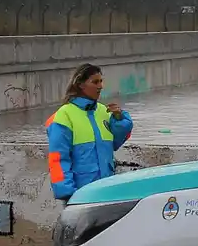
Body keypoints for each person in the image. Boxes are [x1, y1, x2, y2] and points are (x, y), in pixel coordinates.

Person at [46, 63, 133, 203]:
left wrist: (119, 119)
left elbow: (116, 142)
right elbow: (58, 160)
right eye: (95, 82)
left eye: (101, 81)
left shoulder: (103, 111)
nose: (100, 86)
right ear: (80, 84)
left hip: (107, 190)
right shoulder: (64, 116)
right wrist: (67, 193)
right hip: (81, 194)